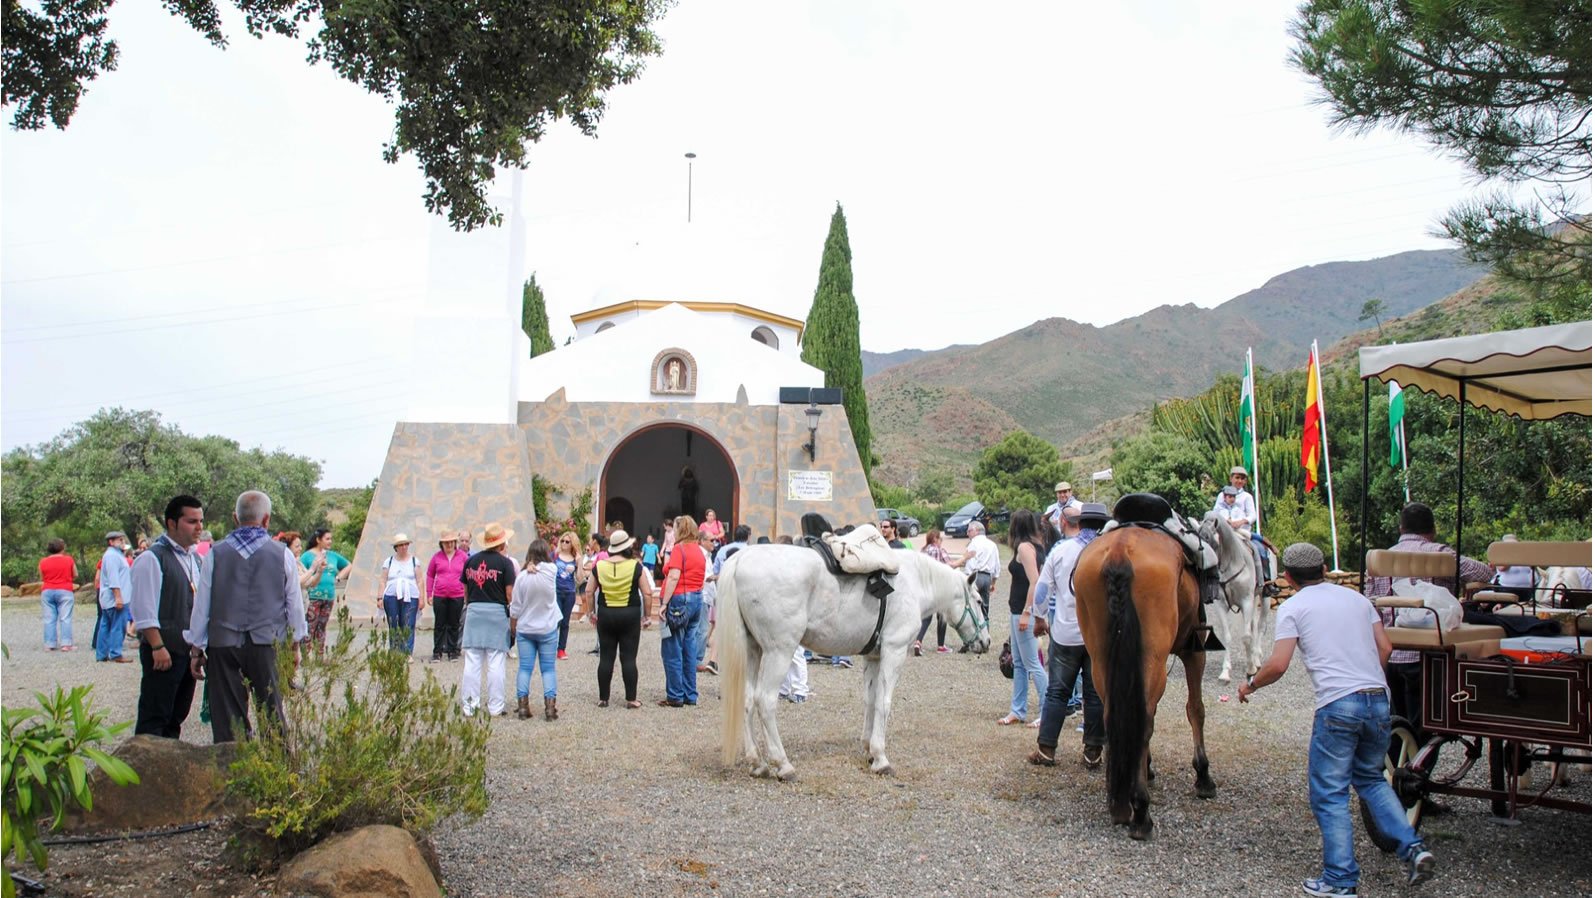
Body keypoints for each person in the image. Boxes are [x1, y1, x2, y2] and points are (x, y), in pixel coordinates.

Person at [1240, 542, 1436, 896]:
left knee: (1329, 794)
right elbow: (1386, 648)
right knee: (1373, 781)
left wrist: (1250, 684)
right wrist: (1369, 684)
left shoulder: (1293, 607)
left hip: (1337, 704)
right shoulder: (1359, 601)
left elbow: (1279, 664)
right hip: (1377, 700)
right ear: (1326, 568)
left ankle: (1340, 879)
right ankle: (1413, 847)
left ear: (1287, 577)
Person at [186, 490, 307, 742]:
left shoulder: (215, 554)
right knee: (272, 710)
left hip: (224, 644)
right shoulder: (281, 553)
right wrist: (295, 644)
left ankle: (232, 769)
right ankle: (276, 771)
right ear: (266, 520)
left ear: (235, 517)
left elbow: (202, 605)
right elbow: (294, 604)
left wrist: (197, 648)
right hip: (267, 643)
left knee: (229, 716)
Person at [1365, 501, 1492, 727]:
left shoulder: (1382, 557)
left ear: (1401, 529)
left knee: (1396, 717)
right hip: (1427, 653)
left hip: (1389, 650)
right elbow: (1484, 572)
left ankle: (1398, 756)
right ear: (1432, 530)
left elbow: (1370, 603)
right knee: (1423, 721)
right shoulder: (1441, 553)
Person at [1030, 503, 1109, 768]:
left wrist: (1039, 618)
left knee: (1057, 692)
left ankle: (1046, 749)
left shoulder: (1061, 551)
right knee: (1094, 693)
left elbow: (1042, 589)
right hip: (1099, 636)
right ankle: (1093, 752)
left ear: (1075, 523)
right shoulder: (1108, 550)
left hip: (1066, 632)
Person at [131, 495, 205, 738]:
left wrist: (198, 648)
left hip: (187, 650)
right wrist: (157, 645)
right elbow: (143, 607)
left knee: (176, 715)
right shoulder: (152, 558)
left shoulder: (195, 558)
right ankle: (144, 771)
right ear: (172, 523)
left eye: (201, 521)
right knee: (155, 715)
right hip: (164, 649)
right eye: (192, 521)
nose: (199, 527)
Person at [585, 529, 655, 709]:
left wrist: (591, 612)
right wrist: (647, 616)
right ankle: (631, 698)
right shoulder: (635, 566)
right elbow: (647, 593)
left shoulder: (599, 566)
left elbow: (589, 591)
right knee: (629, 658)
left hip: (607, 614)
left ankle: (603, 698)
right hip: (629, 614)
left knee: (606, 657)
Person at [459, 522, 517, 717]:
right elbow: (509, 594)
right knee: (496, 661)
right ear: (501, 544)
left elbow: (465, 591)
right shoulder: (505, 564)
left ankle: (469, 705)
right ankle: (495, 706)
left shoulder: (471, 561)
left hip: (475, 610)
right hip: (496, 612)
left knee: (472, 660)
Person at [999, 511, 1051, 727]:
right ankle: (1018, 710)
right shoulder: (1036, 546)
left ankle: (1046, 710)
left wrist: (1028, 612)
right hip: (1016, 611)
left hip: (1023, 612)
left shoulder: (1024, 548)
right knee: (1019, 663)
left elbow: (1035, 581)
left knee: (1032, 663)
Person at [509, 538, 561, 721]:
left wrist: (513, 627)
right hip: (547, 627)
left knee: (525, 668)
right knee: (548, 669)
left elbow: (515, 606)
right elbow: (551, 566)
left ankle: (523, 706)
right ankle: (550, 708)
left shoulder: (522, 577)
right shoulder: (551, 572)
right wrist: (537, 567)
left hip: (526, 628)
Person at [657, 515, 706, 707]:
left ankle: (675, 695)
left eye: (675, 528)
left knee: (672, 648)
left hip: (679, 599)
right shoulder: (699, 550)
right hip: (696, 599)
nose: (673, 532)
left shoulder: (679, 549)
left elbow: (674, 576)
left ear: (681, 529)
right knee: (689, 648)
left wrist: (664, 603)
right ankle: (690, 694)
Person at [299, 529, 351, 654]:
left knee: (322, 626)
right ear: (318, 540)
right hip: (313, 596)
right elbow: (301, 571)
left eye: (331, 538)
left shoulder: (332, 555)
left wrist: (338, 577)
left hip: (329, 596)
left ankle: (319, 655)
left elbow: (348, 565)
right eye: (327, 539)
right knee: (310, 625)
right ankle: (305, 656)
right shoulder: (307, 556)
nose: (330, 541)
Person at [426, 529, 469, 662]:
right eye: (446, 543)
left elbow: (469, 574)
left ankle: (452, 651)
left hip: (457, 595)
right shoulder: (436, 557)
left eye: (451, 542)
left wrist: (468, 593)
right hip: (440, 595)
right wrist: (429, 593)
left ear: (455, 543)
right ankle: (437, 651)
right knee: (439, 623)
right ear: (442, 544)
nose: (449, 545)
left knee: (454, 623)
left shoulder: (462, 556)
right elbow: (430, 575)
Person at [380, 533, 424, 658]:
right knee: (394, 622)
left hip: (411, 595)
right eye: (401, 545)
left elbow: (420, 580)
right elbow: (383, 580)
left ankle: (407, 652)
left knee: (408, 622)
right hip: (391, 595)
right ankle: (395, 650)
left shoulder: (415, 561)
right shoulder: (388, 562)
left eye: (405, 544)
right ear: (396, 547)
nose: (404, 547)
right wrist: (379, 597)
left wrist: (421, 598)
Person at [914, 529, 954, 656]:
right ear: (936, 539)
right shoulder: (938, 550)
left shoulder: (923, 551)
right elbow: (949, 566)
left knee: (926, 616)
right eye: (940, 539)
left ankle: (918, 641)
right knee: (942, 616)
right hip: (938, 587)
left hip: (923, 587)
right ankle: (941, 645)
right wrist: (965, 558)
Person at [96, 531, 134, 663]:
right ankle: (115, 653)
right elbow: (113, 578)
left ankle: (102, 654)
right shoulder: (112, 556)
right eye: (119, 540)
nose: (122, 542)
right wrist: (118, 597)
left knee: (106, 625)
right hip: (115, 598)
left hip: (109, 598)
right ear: (111, 542)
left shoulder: (115, 555)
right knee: (118, 625)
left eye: (123, 540)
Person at [955, 520, 1000, 625]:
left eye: (969, 531)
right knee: (984, 608)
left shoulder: (973, 544)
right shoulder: (993, 545)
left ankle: (971, 637)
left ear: (976, 531)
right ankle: (985, 632)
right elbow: (997, 567)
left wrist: (967, 578)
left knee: (971, 606)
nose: (967, 533)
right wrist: (993, 583)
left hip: (974, 577)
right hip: (987, 578)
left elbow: (970, 564)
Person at [39, 538, 78, 652]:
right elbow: (75, 574)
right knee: (65, 618)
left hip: (47, 590)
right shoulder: (68, 560)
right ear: (62, 548)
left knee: (49, 618)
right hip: (64, 589)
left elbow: (42, 577)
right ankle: (66, 644)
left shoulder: (43, 561)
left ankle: (49, 644)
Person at [553, 532, 582, 660]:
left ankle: (561, 649)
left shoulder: (575, 558)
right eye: (563, 541)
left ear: (572, 544)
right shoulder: (555, 555)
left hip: (570, 592)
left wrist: (579, 563)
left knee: (565, 622)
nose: (564, 543)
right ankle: (549, 647)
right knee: (555, 620)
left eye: (567, 541)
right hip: (556, 591)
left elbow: (580, 579)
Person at [1489, 534, 1537, 602]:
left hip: (1526, 590)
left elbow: (1531, 570)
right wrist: (1512, 555)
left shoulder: (1524, 556)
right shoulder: (1501, 556)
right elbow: (1501, 568)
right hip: (1507, 589)